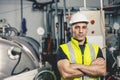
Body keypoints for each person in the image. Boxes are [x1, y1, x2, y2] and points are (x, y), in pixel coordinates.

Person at [56, 11, 106, 80]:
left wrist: (75, 66)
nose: (81, 31)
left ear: (87, 29)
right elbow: (66, 73)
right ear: (71, 30)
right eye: (77, 27)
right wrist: (92, 68)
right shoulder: (63, 49)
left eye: (84, 27)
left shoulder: (96, 49)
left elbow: (102, 71)